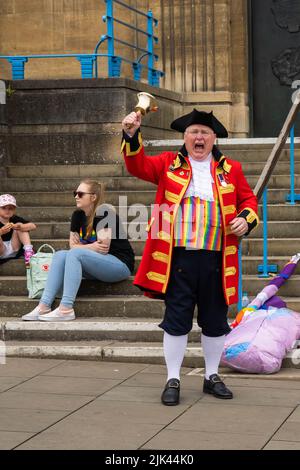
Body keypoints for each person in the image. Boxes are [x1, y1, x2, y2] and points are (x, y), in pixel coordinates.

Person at [121, 108, 259, 404]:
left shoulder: (230, 169)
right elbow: (137, 166)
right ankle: (173, 378)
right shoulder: (168, 163)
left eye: (205, 133)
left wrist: (246, 219)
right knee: (177, 320)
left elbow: (248, 198)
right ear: (184, 138)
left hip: (217, 259)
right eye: (194, 132)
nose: (199, 137)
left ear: (213, 139)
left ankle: (211, 376)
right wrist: (131, 134)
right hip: (178, 258)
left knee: (215, 320)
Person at [21, 179, 134, 322]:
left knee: (75, 254)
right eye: (75, 193)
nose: (76, 196)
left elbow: (103, 249)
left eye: (80, 194)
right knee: (61, 255)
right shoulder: (77, 216)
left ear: (93, 197)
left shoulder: (105, 215)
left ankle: (66, 308)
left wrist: (81, 247)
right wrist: (89, 247)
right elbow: (73, 245)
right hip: (95, 264)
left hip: (119, 265)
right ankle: (44, 306)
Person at [0, 194, 36, 265]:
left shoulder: (14, 218)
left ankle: (28, 251)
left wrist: (20, 226)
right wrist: (1, 231)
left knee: (21, 225)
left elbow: (33, 226)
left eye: (11, 208)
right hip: (1, 250)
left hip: (14, 248)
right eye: (4, 208)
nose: (7, 210)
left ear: (14, 210)